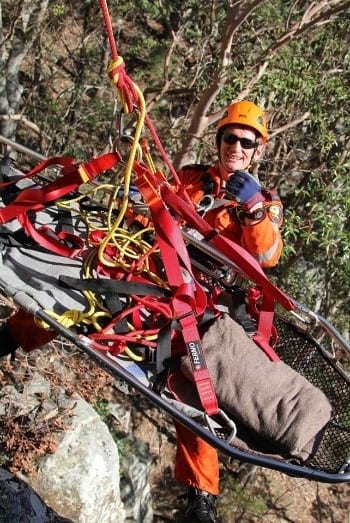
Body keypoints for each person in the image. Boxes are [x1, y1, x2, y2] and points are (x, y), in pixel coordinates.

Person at [171, 99, 283, 522]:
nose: (236, 147)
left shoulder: (265, 205)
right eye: (229, 138)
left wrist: (253, 211)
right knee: (84, 302)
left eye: (246, 142)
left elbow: (268, 254)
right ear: (217, 140)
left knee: (196, 384)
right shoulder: (192, 180)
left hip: (204, 302)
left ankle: (202, 497)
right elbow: (156, 205)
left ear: (258, 150)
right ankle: (13, 336)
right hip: (162, 278)